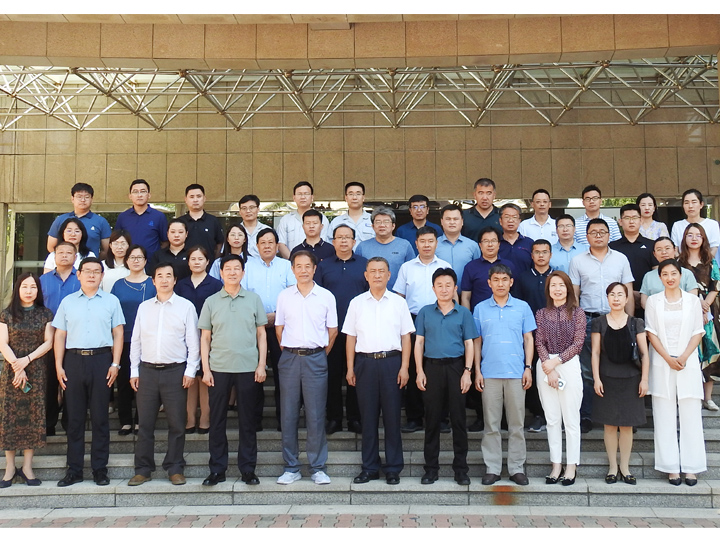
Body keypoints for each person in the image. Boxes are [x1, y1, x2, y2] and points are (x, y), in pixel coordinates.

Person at [53, 257, 125, 487]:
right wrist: (58, 365)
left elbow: (118, 333)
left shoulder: (111, 301)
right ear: (79, 274)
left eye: (96, 271)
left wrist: (115, 364)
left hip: (101, 360)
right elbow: (60, 335)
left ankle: (99, 469)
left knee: (100, 418)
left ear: (102, 276)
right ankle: (74, 470)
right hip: (73, 360)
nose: (92, 275)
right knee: (74, 418)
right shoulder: (67, 302)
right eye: (87, 271)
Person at [127, 263, 200, 487]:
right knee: (145, 424)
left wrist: (190, 370)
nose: (165, 280)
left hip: (175, 372)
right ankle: (143, 469)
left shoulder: (186, 307)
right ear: (153, 281)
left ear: (175, 280)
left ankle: (175, 467)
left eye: (169, 275)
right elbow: (136, 341)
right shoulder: (144, 308)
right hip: (147, 372)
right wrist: (134, 370)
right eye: (160, 276)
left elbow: (193, 342)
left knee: (177, 423)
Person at [198, 255, 268, 486]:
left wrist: (261, 364)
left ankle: (248, 469)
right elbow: (205, 337)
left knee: (247, 421)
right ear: (221, 273)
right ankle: (217, 469)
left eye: (237, 268)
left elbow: (261, 334)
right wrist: (206, 369)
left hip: (248, 367)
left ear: (243, 273)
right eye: (228, 269)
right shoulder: (211, 301)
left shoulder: (254, 299)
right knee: (217, 420)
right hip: (218, 368)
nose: (232, 272)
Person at [344, 257, 414, 485]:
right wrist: (350, 367)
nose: (377, 275)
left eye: (381, 271)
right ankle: (370, 467)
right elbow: (351, 337)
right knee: (368, 418)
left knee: (392, 417)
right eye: (372, 271)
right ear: (366, 275)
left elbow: (406, 337)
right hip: (365, 363)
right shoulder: (356, 303)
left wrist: (405, 367)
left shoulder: (398, 303)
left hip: (391, 363)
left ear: (388, 275)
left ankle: (393, 468)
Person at [275, 251, 337, 485]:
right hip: (290, 358)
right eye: (298, 266)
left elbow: (332, 331)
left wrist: (318, 354)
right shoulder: (284, 296)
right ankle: (291, 467)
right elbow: (279, 329)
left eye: (307, 266)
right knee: (288, 414)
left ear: (314, 268)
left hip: (316, 358)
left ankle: (317, 467)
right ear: (292, 269)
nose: (303, 270)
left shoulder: (326, 296)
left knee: (316, 414)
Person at [569, 218, 634, 433]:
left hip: (618, 319)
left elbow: (628, 291)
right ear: (586, 236)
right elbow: (574, 294)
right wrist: (577, 322)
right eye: (594, 232)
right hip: (589, 320)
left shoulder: (621, 259)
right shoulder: (577, 261)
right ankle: (587, 415)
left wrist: (630, 322)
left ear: (609, 235)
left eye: (602, 232)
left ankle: (623, 417)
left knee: (620, 368)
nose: (598, 235)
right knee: (588, 370)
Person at [473, 264, 536, 486]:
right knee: (491, 424)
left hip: (516, 373)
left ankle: (516, 468)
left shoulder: (522, 307)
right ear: (489, 283)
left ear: (511, 282)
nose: (500, 284)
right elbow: (477, 342)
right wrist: (477, 370)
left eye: (504, 279)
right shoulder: (480, 309)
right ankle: (492, 468)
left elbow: (528, 339)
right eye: (496, 280)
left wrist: (528, 367)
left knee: (516, 424)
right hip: (489, 373)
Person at [645, 259, 707, 486]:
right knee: (664, 414)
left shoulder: (692, 301)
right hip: (662, 362)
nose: (670, 278)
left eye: (673, 273)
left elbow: (698, 331)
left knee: (691, 414)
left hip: (687, 361)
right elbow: (651, 333)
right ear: (660, 277)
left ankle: (692, 468)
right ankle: (670, 467)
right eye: (665, 274)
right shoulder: (653, 301)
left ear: (680, 276)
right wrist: (668, 358)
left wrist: (683, 356)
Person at [414, 268, 477, 486]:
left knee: (458, 420)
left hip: (456, 367)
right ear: (433, 288)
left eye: (448, 285)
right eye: (439, 285)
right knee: (432, 420)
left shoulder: (463, 313)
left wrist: (468, 371)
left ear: (455, 288)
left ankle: (461, 470)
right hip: (431, 367)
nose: (444, 289)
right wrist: (419, 370)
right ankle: (431, 469)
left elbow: (469, 343)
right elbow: (419, 342)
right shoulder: (425, 312)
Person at [392, 226, 452, 433]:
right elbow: (399, 296)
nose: (427, 245)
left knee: (439, 369)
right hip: (413, 320)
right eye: (422, 241)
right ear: (416, 244)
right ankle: (414, 418)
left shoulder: (445, 266)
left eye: (430, 241)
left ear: (436, 243)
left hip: (440, 318)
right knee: (412, 368)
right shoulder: (407, 267)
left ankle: (441, 419)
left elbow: (452, 295)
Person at [591, 282, 649, 485]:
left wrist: (644, 379)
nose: (616, 298)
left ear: (626, 298)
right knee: (609, 425)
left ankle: (625, 467)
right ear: (607, 298)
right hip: (606, 378)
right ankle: (612, 467)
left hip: (631, 379)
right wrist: (596, 378)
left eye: (620, 295)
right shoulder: (599, 322)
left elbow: (644, 353)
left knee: (626, 426)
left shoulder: (636, 323)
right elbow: (595, 353)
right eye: (612, 295)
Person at [0, 273, 54, 488]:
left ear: (38, 290)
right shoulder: (6, 314)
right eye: (25, 286)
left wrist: (27, 360)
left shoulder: (45, 314)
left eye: (33, 287)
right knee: (9, 418)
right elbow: (3, 343)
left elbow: (48, 342)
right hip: (12, 372)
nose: (29, 291)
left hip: (36, 370)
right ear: (18, 289)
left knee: (33, 417)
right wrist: (17, 365)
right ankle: (9, 468)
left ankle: (27, 467)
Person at [315, 224, 368, 435]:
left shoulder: (364, 264)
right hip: (331, 330)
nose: (344, 241)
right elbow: (317, 297)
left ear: (354, 241)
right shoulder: (323, 266)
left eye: (348, 237)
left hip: (359, 330)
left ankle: (355, 418)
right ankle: (334, 418)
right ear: (333, 241)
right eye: (339, 237)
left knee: (356, 374)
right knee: (333, 376)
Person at [242, 228, 297, 429]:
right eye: (263, 243)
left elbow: (293, 294)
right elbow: (242, 294)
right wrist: (259, 318)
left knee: (283, 374)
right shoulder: (247, 267)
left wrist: (277, 316)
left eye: (270, 242)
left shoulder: (286, 266)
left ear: (277, 245)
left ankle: (284, 420)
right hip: (253, 328)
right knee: (253, 374)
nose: (267, 246)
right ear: (256, 246)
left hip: (281, 327)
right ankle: (254, 420)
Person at [535, 271, 585, 486]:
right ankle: (556, 465)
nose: (557, 289)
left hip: (568, 364)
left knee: (571, 419)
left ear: (568, 288)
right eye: (553, 285)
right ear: (548, 290)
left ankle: (571, 465)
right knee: (552, 419)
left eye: (561, 285)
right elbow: (539, 342)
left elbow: (578, 343)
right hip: (545, 365)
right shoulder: (541, 313)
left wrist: (556, 362)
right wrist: (549, 367)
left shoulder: (578, 313)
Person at [174, 246, 223, 434]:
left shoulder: (215, 285)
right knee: (190, 377)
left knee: (205, 377)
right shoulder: (181, 285)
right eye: (193, 259)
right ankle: (190, 417)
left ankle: (205, 417)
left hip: (209, 336)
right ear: (188, 262)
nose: (196, 262)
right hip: (184, 337)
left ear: (207, 261)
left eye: (200, 259)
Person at [111, 246, 157, 436]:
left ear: (146, 261)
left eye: (140, 257)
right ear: (126, 261)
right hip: (124, 338)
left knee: (144, 382)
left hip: (148, 339)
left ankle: (140, 420)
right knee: (123, 381)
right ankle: (125, 422)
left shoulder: (153, 283)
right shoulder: (118, 285)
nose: (136, 260)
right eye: (132, 257)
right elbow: (112, 312)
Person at [39, 242, 80, 435]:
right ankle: (49, 423)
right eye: (60, 252)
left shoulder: (81, 279)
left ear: (75, 257)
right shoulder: (42, 280)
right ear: (54, 256)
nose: (64, 255)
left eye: (69, 252)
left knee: (71, 383)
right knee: (49, 382)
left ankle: (69, 424)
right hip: (47, 339)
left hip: (74, 339)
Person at [678, 223, 720, 411]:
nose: (694, 238)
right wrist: (695, 304)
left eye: (698, 235)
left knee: (710, 352)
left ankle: (708, 398)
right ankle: (690, 396)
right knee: (689, 351)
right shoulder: (678, 262)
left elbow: (716, 286)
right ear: (684, 238)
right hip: (685, 310)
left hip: (708, 313)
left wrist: (705, 306)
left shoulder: (710, 261)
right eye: (690, 235)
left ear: (703, 239)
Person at [515, 239, 554, 433]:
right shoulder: (522, 278)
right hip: (529, 335)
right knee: (532, 372)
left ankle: (554, 414)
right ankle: (538, 414)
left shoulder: (557, 277)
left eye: (544, 252)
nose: (541, 255)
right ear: (531, 255)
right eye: (537, 252)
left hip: (554, 335)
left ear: (550, 255)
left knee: (552, 372)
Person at [609, 204, 657, 312]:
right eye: (627, 218)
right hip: (619, 301)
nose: (631, 221)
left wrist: (643, 293)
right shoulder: (612, 247)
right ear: (620, 221)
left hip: (647, 299)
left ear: (641, 221)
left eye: (635, 218)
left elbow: (656, 273)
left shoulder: (651, 245)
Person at [46, 182, 111, 260]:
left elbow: (106, 250)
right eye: (79, 197)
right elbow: (51, 247)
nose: (83, 200)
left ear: (92, 199)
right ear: (72, 199)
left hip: (90, 263)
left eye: (87, 197)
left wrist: (94, 261)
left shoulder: (101, 221)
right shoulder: (60, 220)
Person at [355, 207, 415, 290]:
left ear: (393, 226)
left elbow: (412, 272)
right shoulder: (362, 246)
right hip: (369, 295)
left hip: (398, 295)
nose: (382, 225)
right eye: (378, 222)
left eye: (386, 222)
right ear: (373, 226)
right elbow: (357, 274)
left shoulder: (404, 245)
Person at [460, 227, 517, 312]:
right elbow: (465, 297)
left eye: (493, 241)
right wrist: (468, 317)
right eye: (486, 241)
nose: (490, 244)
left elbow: (515, 292)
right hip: (480, 315)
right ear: (480, 245)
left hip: (506, 313)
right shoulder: (470, 267)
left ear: (499, 244)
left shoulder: (509, 265)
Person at [115, 179, 169, 263]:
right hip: (128, 264)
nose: (139, 195)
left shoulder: (159, 216)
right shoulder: (122, 217)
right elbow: (116, 241)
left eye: (143, 191)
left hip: (152, 264)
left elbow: (165, 242)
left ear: (149, 195)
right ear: (130, 196)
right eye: (135, 192)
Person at [639, 237, 698, 308]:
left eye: (667, 248)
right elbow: (644, 302)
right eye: (659, 249)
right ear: (654, 254)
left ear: (675, 250)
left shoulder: (687, 274)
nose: (664, 252)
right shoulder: (648, 276)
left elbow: (692, 299)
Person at [277, 181, 331, 258]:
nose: (303, 197)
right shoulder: (285, 220)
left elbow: (324, 243)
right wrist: (294, 261)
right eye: (299, 194)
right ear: (294, 197)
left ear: (312, 197)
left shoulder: (322, 218)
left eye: (306, 194)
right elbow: (281, 244)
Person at [435, 204, 481, 292]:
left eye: (455, 219)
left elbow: (478, 271)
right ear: (441, 221)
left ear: (462, 221)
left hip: (467, 295)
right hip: (440, 295)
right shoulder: (434, 245)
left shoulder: (472, 246)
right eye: (448, 219)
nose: (452, 222)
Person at [178, 184, 224, 261]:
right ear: (186, 199)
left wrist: (214, 261)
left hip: (208, 265)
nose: (195, 200)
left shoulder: (213, 221)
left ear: (204, 198)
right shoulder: (179, 222)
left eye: (198, 196)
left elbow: (220, 244)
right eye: (192, 197)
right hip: (183, 265)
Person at [671, 189, 720, 258]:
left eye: (694, 202)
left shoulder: (712, 224)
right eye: (686, 203)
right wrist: (683, 262)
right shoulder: (677, 225)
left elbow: (714, 248)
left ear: (701, 204)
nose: (690, 206)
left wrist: (704, 262)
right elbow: (675, 249)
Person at [462, 178, 502, 242]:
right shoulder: (464, 215)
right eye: (480, 193)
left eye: (489, 193)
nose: (485, 198)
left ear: (494, 195)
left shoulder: (502, 215)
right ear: (475, 195)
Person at [498, 203, 533, 275]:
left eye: (514, 217)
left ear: (519, 221)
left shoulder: (529, 243)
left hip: (524, 282)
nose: (511, 220)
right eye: (507, 217)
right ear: (500, 221)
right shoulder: (495, 243)